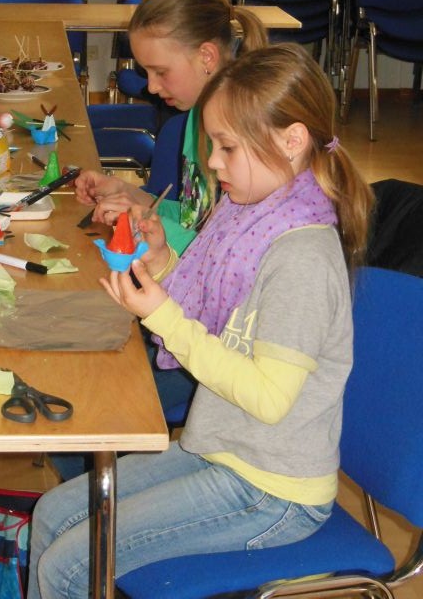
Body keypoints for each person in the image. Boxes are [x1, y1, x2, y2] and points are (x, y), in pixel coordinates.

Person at [27, 43, 374, 599]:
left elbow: (267, 398)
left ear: (292, 140)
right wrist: (165, 262)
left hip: (272, 490)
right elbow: (226, 312)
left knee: (71, 565)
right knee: (52, 515)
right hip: (223, 451)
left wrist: (163, 315)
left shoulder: (303, 256)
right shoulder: (252, 216)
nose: (211, 161)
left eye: (227, 147)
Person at [76, 0, 268, 256]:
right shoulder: (197, 118)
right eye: (146, 72)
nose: (151, 87)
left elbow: (220, 253)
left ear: (206, 57)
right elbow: (196, 218)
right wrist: (127, 193)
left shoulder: (246, 135)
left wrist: (142, 221)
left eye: (161, 72)